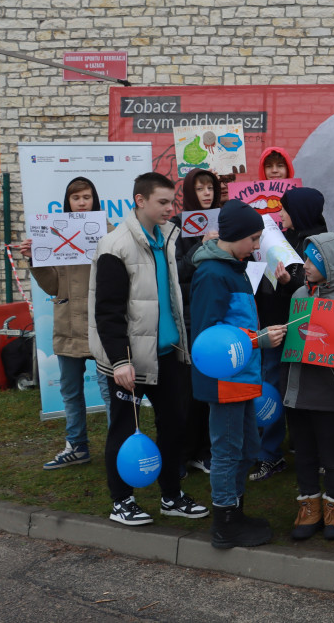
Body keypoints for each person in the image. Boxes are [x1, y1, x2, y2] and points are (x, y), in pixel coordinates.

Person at [89, 172, 207, 526]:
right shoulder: (115, 245)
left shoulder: (167, 238)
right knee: (124, 429)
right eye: (162, 202)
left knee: (174, 425)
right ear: (140, 201)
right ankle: (121, 501)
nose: (171, 209)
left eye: (172, 202)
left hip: (168, 353)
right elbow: (107, 311)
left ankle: (171, 495)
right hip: (129, 360)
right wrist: (121, 360)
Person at [190, 200, 286, 547]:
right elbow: (207, 337)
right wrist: (258, 340)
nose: (257, 246)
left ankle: (236, 510)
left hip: (244, 376)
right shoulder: (213, 274)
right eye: (254, 238)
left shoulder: (235, 268)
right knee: (228, 451)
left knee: (248, 448)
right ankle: (224, 523)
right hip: (224, 382)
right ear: (236, 236)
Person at [16, 176, 112, 470]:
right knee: (70, 391)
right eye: (76, 197)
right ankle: (77, 447)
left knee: (109, 391)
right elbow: (53, 286)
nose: (82, 202)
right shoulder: (54, 233)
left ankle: (119, 446)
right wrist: (36, 259)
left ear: (95, 199)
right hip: (68, 323)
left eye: (86, 197)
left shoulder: (109, 232)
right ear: (67, 202)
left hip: (101, 324)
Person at [283, 233, 334, 540]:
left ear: (331, 265)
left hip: (327, 395)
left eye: (312, 260)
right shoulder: (298, 296)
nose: (304, 265)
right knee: (303, 453)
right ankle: (309, 507)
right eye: (305, 258)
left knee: (331, 456)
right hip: (296, 390)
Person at [247, 186, 323, 482]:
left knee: (303, 392)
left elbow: (315, 290)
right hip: (274, 326)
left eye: (285, 209)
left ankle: (307, 451)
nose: (280, 214)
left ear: (300, 211)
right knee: (273, 388)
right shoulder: (284, 238)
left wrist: (290, 281)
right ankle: (271, 453)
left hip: (301, 330)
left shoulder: (316, 243)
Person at [172, 168, 222, 476]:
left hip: (215, 314)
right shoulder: (176, 226)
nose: (206, 193)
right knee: (184, 393)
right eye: (201, 188)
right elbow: (176, 272)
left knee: (209, 388)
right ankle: (182, 453)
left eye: (211, 188)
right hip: (188, 318)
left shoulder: (223, 222)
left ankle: (204, 450)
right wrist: (203, 248)